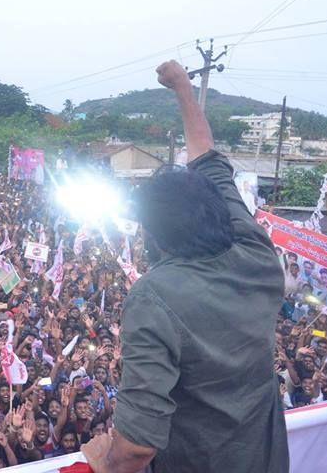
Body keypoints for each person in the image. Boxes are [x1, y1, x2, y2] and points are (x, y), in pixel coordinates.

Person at [82, 60, 288, 473]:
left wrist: (103, 461)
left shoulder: (154, 295)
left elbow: (137, 449)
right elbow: (208, 158)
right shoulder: (256, 250)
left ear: (154, 236)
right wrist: (182, 89)